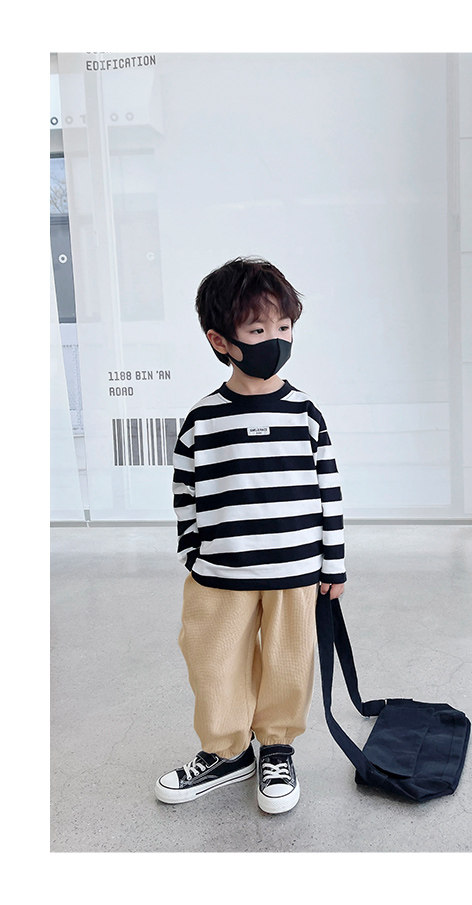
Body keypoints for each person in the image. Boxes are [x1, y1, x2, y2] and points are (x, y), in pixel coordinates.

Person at [154, 257, 346, 814]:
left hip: (295, 570)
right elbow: (186, 491)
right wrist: (193, 553)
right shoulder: (203, 419)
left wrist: (333, 563)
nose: (276, 340)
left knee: (289, 662)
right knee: (213, 662)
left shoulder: (305, 414)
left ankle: (277, 747)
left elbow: (328, 491)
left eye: (284, 327)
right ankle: (228, 751)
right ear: (221, 341)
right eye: (258, 330)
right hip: (219, 573)